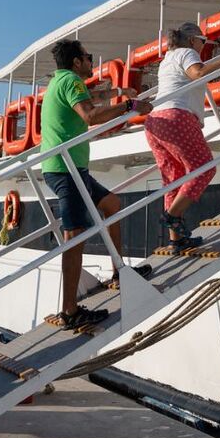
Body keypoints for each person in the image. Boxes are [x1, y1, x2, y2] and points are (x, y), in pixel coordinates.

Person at [40, 39, 154, 330]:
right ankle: (70, 310)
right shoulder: (72, 83)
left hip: (69, 168)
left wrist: (119, 92)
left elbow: (93, 95)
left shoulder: (61, 81)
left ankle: (118, 271)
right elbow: (90, 114)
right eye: (88, 57)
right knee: (74, 236)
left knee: (112, 205)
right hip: (68, 171)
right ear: (77, 62)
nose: (91, 62)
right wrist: (129, 105)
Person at [145, 23, 220, 250]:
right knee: (204, 168)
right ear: (193, 40)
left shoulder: (168, 59)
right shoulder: (187, 52)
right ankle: (172, 216)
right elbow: (198, 73)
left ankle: (177, 240)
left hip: (155, 121)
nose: (204, 46)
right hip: (177, 117)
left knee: (174, 179)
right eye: (203, 41)